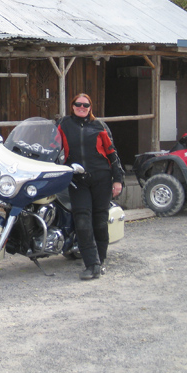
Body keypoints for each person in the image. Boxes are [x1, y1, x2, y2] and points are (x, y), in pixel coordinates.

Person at [57, 93, 124, 281]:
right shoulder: (63, 124)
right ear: (72, 106)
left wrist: (118, 179)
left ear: (90, 107)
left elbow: (112, 154)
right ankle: (91, 264)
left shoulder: (99, 126)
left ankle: (100, 260)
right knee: (82, 221)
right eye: (78, 104)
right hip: (77, 179)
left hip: (102, 178)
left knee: (100, 222)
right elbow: (52, 146)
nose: (81, 107)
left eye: (85, 105)